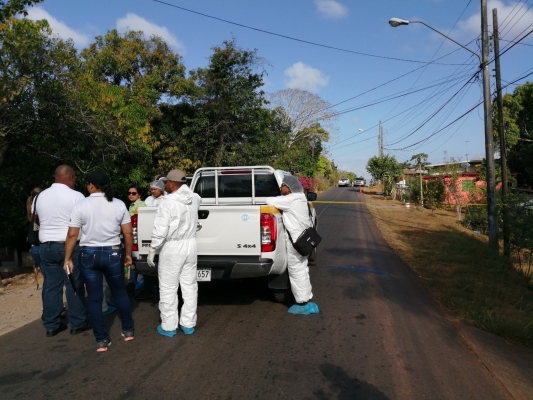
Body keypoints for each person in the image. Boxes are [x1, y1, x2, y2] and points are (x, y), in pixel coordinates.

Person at [64, 170, 134, 352]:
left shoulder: (81, 205)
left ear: (92, 185)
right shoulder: (119, 204)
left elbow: (73, 234)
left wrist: (68, 258)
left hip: (89, 254)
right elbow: (127, 232)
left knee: (94, 299)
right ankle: (128, 330)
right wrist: (128, 254)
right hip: (113, 253)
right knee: (120, 293)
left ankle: (101, 340)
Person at [35, 165, 89, 337]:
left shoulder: (40, 196)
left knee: (51, 286)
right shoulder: (76, 196)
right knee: (73, 284)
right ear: (71, 177)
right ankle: (77, 323)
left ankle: (51, 324)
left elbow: (36, 219)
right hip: (68, 247)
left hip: (45, 246)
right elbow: (84, 220)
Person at [147, 169, 201, 337]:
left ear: (171, 183)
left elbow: (160, 229)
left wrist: (152, 249)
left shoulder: (167, 202)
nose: (164, 185)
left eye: (165, 183)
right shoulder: (195, 198)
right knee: (190, 285)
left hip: (172, 247)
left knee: (168, 287)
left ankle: (169, 326)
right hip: (191, 245)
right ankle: (188, 323)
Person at [266, 175, 319, 315]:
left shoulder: (290, 200)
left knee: (296, 272)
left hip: (295, 243)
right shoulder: (301, 198)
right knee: (303, 270)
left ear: (289, 188)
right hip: (304, 241)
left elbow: (269, 200)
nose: (280, 187)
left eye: (282, 185)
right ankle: (308, 300)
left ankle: (302, 303)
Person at [27, 187, 43, 290]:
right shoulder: (37, 218)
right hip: (40, 247)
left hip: (33, 248)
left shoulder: (31, 216)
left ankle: (37, 282)